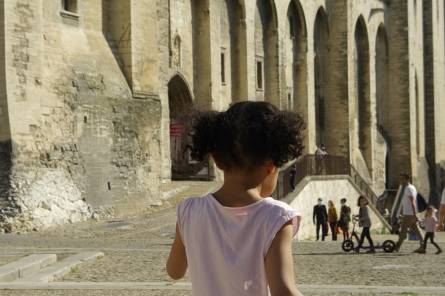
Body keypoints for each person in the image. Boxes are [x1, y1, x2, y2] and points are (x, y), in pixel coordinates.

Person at [166, 101, 305, 296]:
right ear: (272, 166)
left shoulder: (189, 210)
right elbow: (283, 290)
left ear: (217, 160)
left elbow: (175, 270)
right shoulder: (276, 217)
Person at [394, 172, 424, 253]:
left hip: (409, 214)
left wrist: (415, 214)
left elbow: (413, 202)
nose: (400, 181)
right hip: (409, 213)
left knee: (403, 231)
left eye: (402, 179)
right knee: (416, 228)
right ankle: (423, 245)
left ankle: (397, 247)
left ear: (407, 179)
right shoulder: (412, 187)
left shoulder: (408, 189)